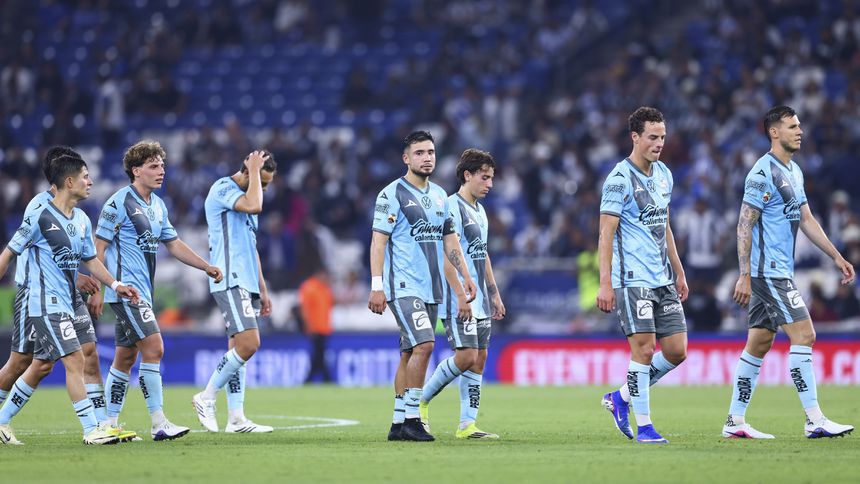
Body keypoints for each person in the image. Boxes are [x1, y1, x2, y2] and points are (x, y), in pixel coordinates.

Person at [724, 105, 855, 439]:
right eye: (793, 126)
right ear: (774, 132)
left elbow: (807, 219)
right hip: (768, 273)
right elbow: (744, 223)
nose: (800, 131)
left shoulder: (794, 172)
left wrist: (836, 256)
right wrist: (744, 273)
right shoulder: (761, 173)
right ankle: (814, 419)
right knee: (805, 335)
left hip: (780, 270)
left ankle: (734, 421)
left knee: (759, 342)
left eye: (800, 126)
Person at [0, 153, 139, 445]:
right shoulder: (39, 214)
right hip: (43, 301)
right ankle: (92, 430)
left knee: (59, 359)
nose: (90, 182)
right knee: (68, 359)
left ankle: (101, 424)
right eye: (85, 176)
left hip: (68, 299)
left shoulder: (83, 220)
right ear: (68, 181)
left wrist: (115, 283)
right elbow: (10, 253)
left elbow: (90, 260)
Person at [89, 140, 221, 441]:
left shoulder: (158, 206)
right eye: (153, 166)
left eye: (162, 165)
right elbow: (99, 247)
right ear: (136, 171)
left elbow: (173, 244)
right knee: (155, 348)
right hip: (125, 292)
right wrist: (98, 288)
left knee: (125, 358)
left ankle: (109, 423)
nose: (161, 170)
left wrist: (205, 266)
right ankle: (159, 423)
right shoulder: (118, 202)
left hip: (142, 293)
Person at [368, 130, 476, 442]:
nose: (427, 157)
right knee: (425, 345)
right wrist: (377, 285)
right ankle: (415, 418)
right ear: (406, 158)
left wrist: (465, 275)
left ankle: (399, 422)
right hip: (403, 285)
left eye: (430, 152)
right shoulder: (391, 195)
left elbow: (450, 240)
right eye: (419, 153)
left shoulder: (441, 196)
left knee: (408, 353)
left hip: (433, 288)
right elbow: (378, 243)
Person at [597, 107, 689, 444]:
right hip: (632, 278)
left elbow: (663, 224)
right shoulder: (619, 180)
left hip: (662, 278)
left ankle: (621, 397)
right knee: (646, 350)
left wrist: (679, 271)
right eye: (652, 136)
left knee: (678, 350)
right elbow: (606, 234)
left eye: (662, 137)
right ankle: (645, 427)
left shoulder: (664, 174)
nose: (659, 143)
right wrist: (605, 283)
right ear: (635, 137)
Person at [418, 148, 506, 439]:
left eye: (491, 178)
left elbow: (483, 255)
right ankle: (421, 400)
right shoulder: (450, 206)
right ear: (467, 175)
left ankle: (467, 425)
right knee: (466, 356)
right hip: (459, 298)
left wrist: (494, 294)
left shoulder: (480, 212)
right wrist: (458, 295)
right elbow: (446, 256)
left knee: (479, 359)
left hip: (480, 299)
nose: (489, 184)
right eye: (484, 177)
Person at [192, 150, 276, 433]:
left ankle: (236, 418)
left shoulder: (252, 196)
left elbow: (251, 248)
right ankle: (205, 396)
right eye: (262, 183)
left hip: (248, 282)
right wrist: (254, 173)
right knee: (249, 345)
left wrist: (263, 289)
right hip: (229, 278)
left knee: (238, 349)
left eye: (266, 185)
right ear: (248, 171)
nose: (263, 190)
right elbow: (254, 205)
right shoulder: (222, 188)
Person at [299, 266, 334, 383]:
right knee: (319, 354)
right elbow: (305, 309)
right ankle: (325, 379)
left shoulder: (325, 288)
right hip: (315, 328)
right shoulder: (309, 287)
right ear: (319, 274)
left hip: (324, 328)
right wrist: (308, 326)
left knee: (319, 354)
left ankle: (312, 379)